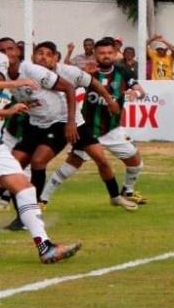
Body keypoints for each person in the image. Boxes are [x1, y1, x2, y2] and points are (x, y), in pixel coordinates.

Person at [0, 40, 82, 263]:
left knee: (25, 189)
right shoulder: (11, 81)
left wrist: (9, 111)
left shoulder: (19, 75)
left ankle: (45, 248)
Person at [40, 38, 146, 207]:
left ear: (115, 54)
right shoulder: (86, 74)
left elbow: (141, 91)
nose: (106, 56)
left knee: (136, 163)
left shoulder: (123, 72)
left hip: (112, 129)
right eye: (102, 53)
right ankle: (43, 199)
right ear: (95, 55)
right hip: (88, 129)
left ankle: (127, 191)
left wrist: (136, 94)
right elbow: (65, 91)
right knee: (72, 164)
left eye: (109, 53)